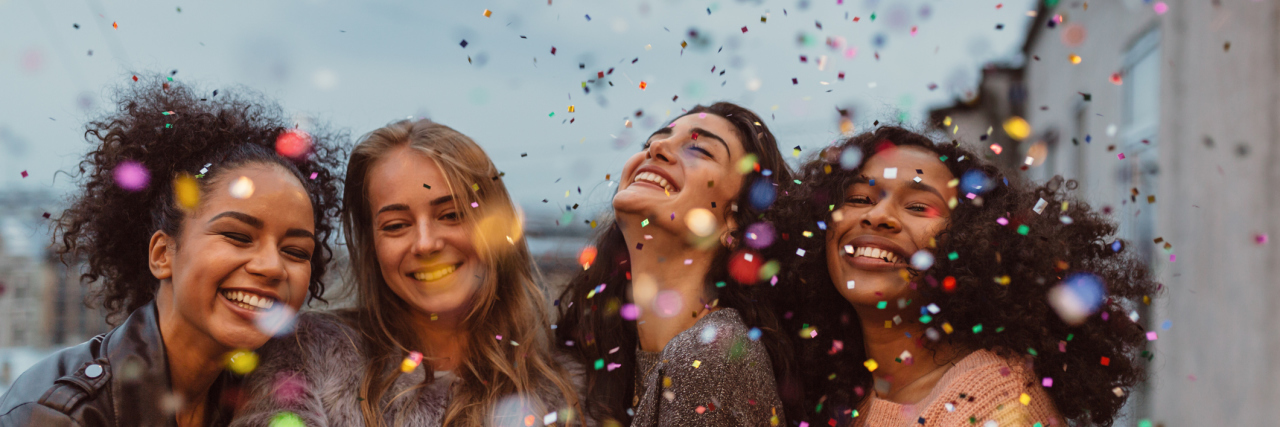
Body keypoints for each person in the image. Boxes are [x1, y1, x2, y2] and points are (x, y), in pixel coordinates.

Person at [0, 77, 345, 427]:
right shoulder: (60, 415)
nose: (272, 266)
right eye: (238, 236)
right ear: (162, 254)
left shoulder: (272, 398)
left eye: (296, 251)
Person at [780, 126, 1159, 426]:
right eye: (859, 198)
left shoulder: (992, 402)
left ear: (970, 242)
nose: (877, 216)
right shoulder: (845, 389)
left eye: (918, 206)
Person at [230, 120, 586, 427]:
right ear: (372, 245)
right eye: (397, 225)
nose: (426, 244)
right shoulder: (307, 355)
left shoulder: (568, 390)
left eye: (451, 215)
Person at [555, 102, 800, 426]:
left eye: (699, 149)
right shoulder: (596, 360)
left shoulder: (712, 352)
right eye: (652, 141)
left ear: (737, 223)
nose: (657, 148)